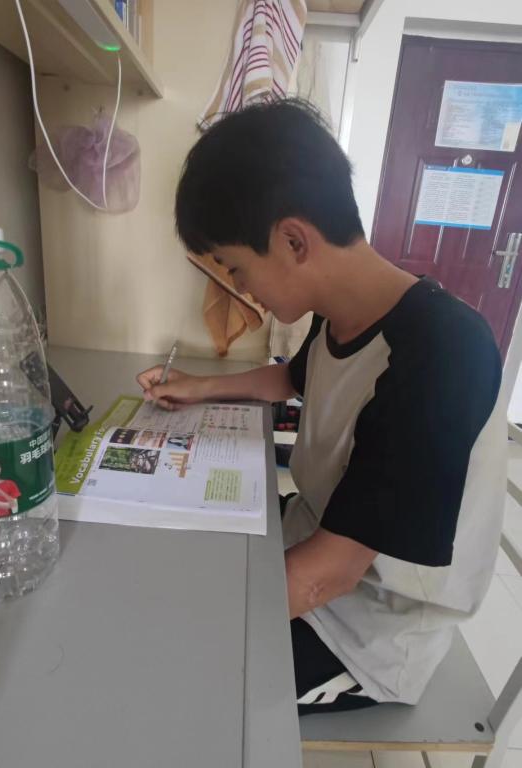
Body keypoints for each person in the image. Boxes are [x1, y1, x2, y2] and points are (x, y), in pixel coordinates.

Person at [136, 99, 505, 713]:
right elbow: (292, 378)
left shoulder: (441, 352)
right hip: (311, 535)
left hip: (369, 628)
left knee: (175, 680)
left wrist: (177, 617)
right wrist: (197, 387)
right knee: (178, 545)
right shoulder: (342, 314)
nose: (239, 287)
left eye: (236, 267)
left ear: (292, 240)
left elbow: (326, 576)